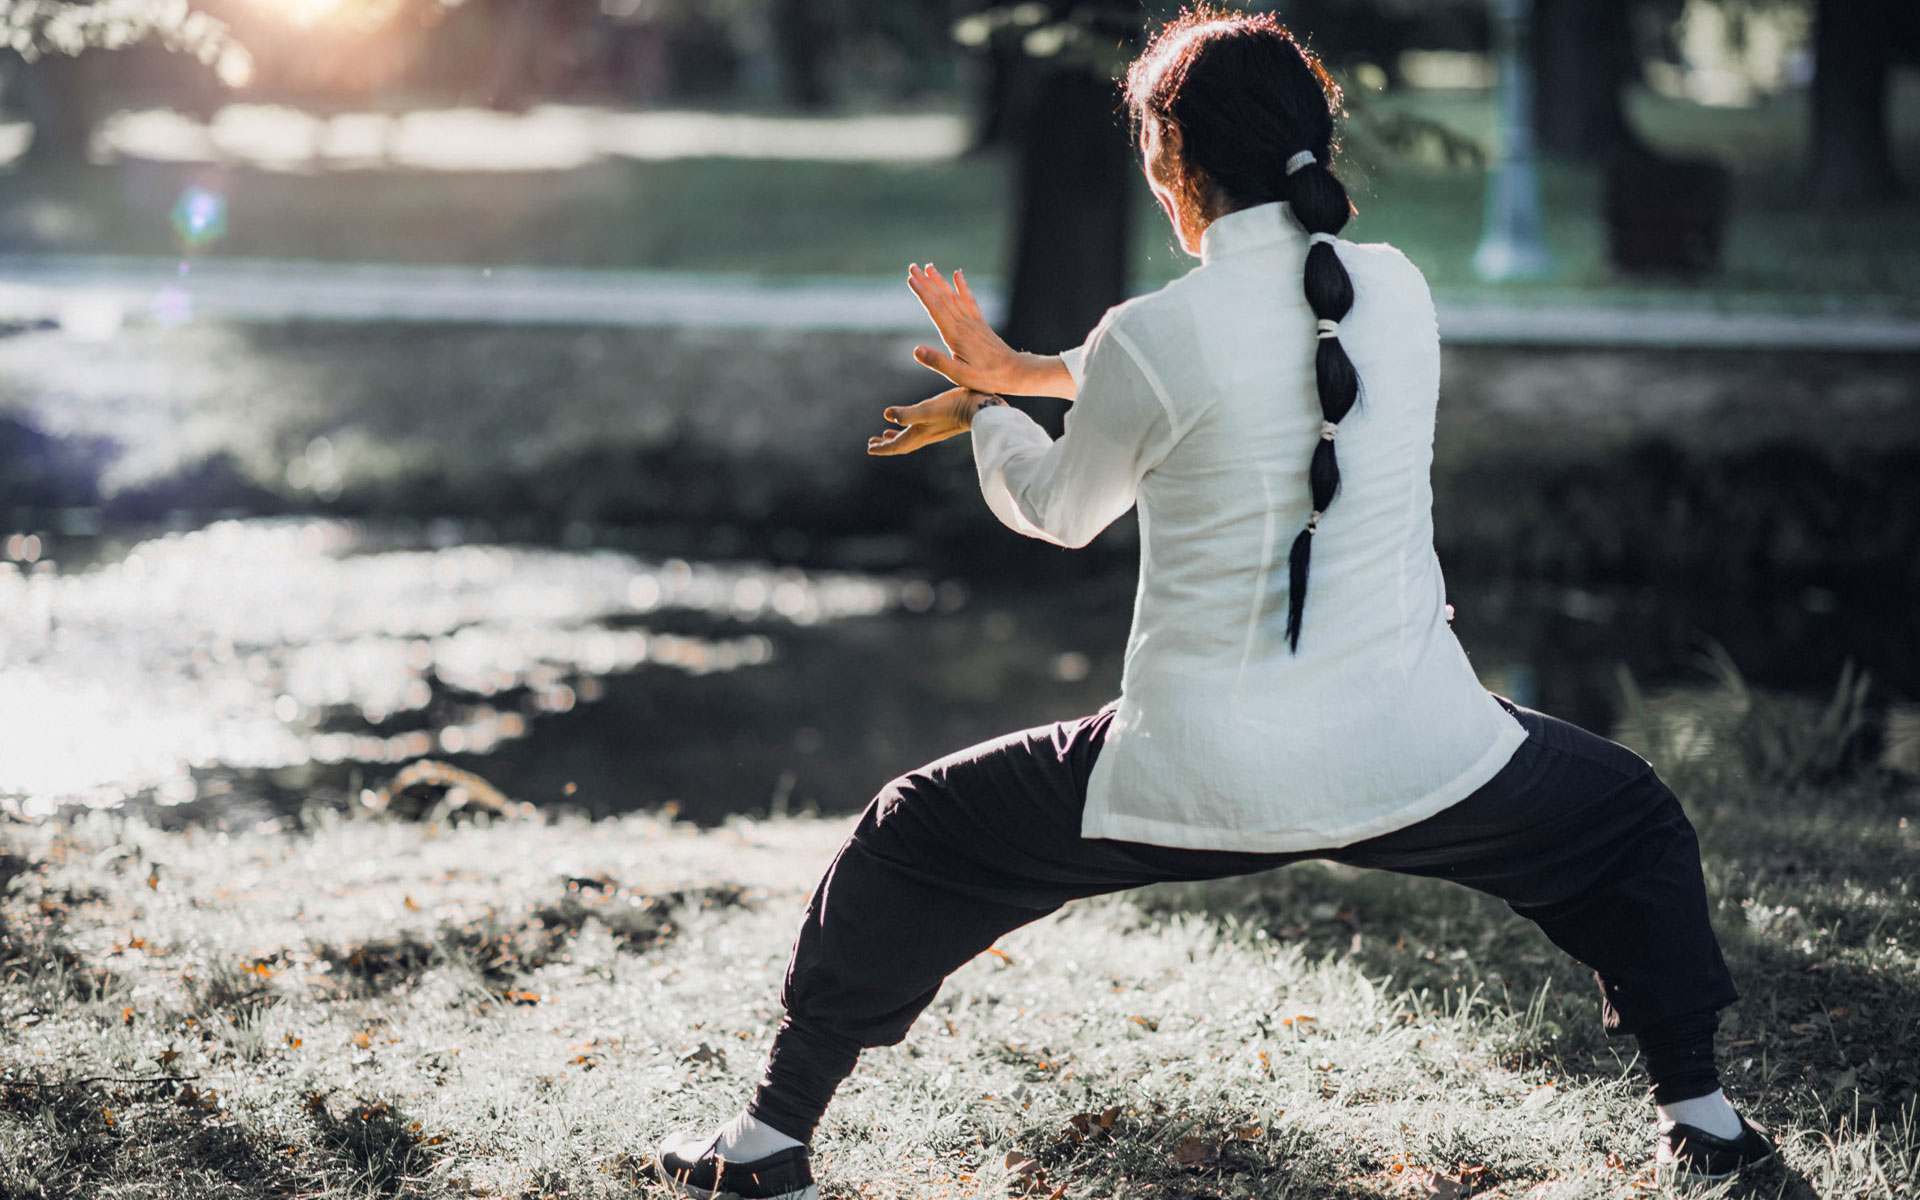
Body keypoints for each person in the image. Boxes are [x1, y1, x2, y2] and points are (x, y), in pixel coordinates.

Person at [655, 12, 1775, 1198]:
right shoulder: (1395, 291)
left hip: (1190, 778)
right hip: (1419, 752)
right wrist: (1025, 371)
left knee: (911, 832)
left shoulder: (1153, 337)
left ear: (1172, 157)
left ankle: (767, 1144)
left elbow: (1060, 508)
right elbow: (1230, 365)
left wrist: (989, 413)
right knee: (1631, 821)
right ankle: (1705, 1123)